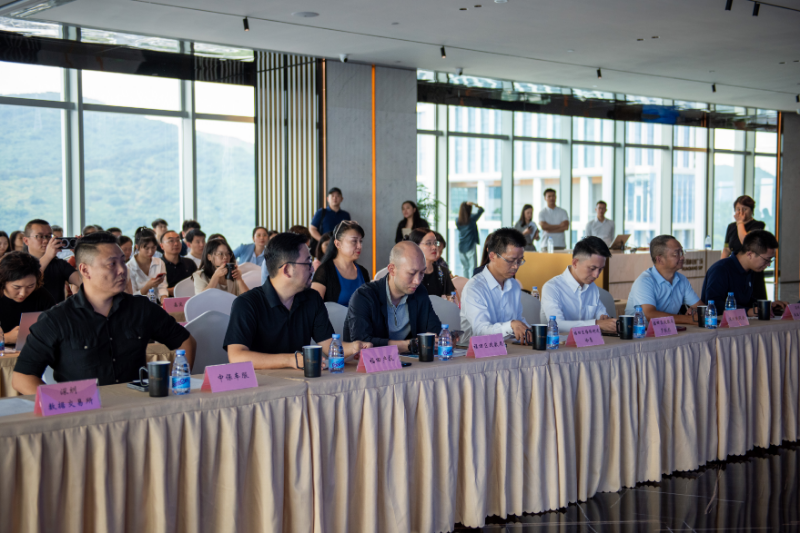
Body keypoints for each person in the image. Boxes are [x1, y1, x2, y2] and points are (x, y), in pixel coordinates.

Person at [11, 232, 195, 394]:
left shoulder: (141, 308)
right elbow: (22, 377)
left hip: (136, 407)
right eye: (111, 264)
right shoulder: (57, 319)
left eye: (122, 261)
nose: (122, 270)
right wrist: (62, 403)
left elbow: (185, 341)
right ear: (85, 270)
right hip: (85, 413)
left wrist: (172, 384)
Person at [224, 232, 369, 370]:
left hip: (301, 381)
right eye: (308, 263)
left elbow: (328, 344)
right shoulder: (247, 304)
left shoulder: (312, 298)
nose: (312, 270)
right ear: (287, 270)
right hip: (261, 383)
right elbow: (237, 356)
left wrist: (354, 347)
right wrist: (290, 360)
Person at [344, 241, 442, 352]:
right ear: (392, 269)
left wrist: (439, 339)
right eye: (411, 273)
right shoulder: (364, 296)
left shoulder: (419, 292)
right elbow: (362, 343)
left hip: (408, 360)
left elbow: (435, 330)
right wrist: (410, 345)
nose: (417, 281)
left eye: (422, 273)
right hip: (371, 362)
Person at [460, 228, 529, 341]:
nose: (516, 266)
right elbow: (481, 331)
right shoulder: (474, 287)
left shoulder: (514, 285)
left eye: (520, 260)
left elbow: (518, 320)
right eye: (510, 260)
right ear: (492, 256)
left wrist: (529, 330)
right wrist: (511, 325)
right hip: (476, 350)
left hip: (508, 347)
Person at [701, 230, 787, 317]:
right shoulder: (721, 269)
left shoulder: (750, 271)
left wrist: (766, 306)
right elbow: (713, 305)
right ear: (750, 254)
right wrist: (748, 311)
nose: (768, 264)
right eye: (766, 260)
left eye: (771, 260)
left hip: (741, 322)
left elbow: (746, 301)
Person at [540, 236, 616, 333]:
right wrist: (596, 323)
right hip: (558, 342)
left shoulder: (591, 287)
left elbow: (602, 316)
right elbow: (557, 325)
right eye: (592, 268)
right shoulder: (552, 287)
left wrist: (606, 321)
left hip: (587, 342)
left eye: (600, 269)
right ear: (575, 263)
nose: (596, 275)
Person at [624, 235, 702, 324]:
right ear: (660, 259)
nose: (682, 257)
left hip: (668, 330)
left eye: (682, 252)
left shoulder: (681, 279)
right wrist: (690, 319)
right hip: (641, 331)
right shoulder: (644, 282)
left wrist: (695, 310)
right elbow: (651, 315)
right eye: (676, 254)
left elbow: (700, 306)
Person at [22, 219, 82, 304]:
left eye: (49, 236)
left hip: (55, 311)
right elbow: (28, 281)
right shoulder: (18, 262)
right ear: (26, 240)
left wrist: (81, 255)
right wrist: (48, 256)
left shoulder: (59, 264)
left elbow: (82, 282)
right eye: (40, 236)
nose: (46, 241)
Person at [0, 252, 55, 344]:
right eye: (17, 287)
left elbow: (56, 327)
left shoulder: (42, 295)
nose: (23, 293)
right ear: (3, 281)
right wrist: (6, 337)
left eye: (30, 286)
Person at [311, 221, 370, 305]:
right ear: (338, 244)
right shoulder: (325, 271)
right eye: (354, 241)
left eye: (360, 241)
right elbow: (314, 306)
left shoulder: (363, 272)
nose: (359, 246)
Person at [722, 195, 767, 302]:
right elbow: (727, 249)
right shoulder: (731, 227)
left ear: (751, 210)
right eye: (738, 209)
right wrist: (721, 266)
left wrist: (740, 222)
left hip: (752, 268)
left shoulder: (758, 225)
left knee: (754, 299)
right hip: (735, 268)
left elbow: (747, 242)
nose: (741, 212)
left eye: (744, 209)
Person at [408, 228, 456, 299]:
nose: (434, 247)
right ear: (416, 246)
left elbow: (453, 298)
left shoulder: (442, 272)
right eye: (428, 243)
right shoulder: (409, 273)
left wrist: (451, 300)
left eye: (435, 243)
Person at [127, 233, 168, 301]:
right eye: (147, 248)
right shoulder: (129, 267)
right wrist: (148, 285)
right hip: (138, 304)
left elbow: (162, 287)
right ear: (137, 247)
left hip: (156, 303)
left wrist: (164, 301)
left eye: (153, 247)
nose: (150, 251)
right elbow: (133, 295)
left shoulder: (159, 262)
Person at [160, 230, 198, 296]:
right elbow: (155, 289)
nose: (176, 244)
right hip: (166, 300)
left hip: (188, 299)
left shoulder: (189, 262)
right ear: (162, 246)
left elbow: (197, 284)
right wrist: (177, 290)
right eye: (171, 241)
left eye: (178, 240)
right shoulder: (158, 265)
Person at [456, 201, 484, 278]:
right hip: (470, 245)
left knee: (465, 268)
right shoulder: (472, 219)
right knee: (473, 268)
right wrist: (475, 205)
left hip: (461, 246)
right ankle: (472, 283)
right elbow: (482, 210)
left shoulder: (457, 220)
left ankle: (466, 283)